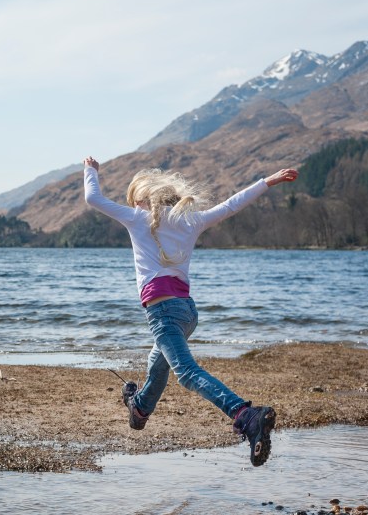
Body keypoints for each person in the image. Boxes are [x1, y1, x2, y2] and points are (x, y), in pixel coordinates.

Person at [82, 156, 298, 466]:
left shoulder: (137, 218)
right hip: (187, 313)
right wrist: (268, 181)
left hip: (163, 312)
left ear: (141, 199)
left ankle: (245, 415)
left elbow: (93, 197)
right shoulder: (191, 220)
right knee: (157, 363)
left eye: (134, 200)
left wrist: (90, 169)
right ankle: (139, 407)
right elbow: (231, 205)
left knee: (185, 372)